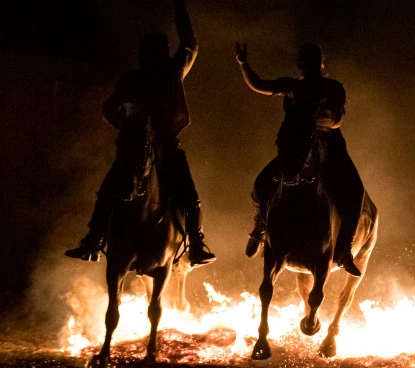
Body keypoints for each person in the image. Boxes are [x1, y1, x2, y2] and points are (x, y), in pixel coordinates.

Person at [65, 0, 215, 266]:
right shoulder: (132, 79)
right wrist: (124, 126)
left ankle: (195, 243)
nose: (155, 56)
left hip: (166, 146)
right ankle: (93, 239)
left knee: (190, 196)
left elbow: (190, 45)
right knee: (108, 190)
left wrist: (179, 9)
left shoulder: (171, 73)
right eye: (153, 51)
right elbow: (110, 107)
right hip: (134, 146)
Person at [235, 42, 364, 277]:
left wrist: (313, 124)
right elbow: (259, 85)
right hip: (296, 146)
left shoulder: (334, 88)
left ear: (320, 64)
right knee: (262, 183)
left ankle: (343, 250)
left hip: (329, 146)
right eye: (305, 61)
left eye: (311, 61)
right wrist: (243, 64)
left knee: (355, 191)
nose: (307, 66)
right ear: (300, 64)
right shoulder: (291, 86)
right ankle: (260, 227)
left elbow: (335, 120)